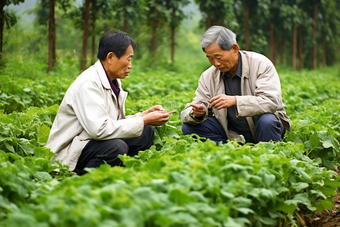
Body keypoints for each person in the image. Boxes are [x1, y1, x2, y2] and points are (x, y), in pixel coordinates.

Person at [46, 30, 169, 173]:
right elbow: (99, 130)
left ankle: (121, 172)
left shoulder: (112, 81)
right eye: (128, 59)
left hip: (91, 140)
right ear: (110, 57)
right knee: (117, 147)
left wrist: (142, 117)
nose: (130, 65)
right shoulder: (89, 83)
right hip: (72, 148)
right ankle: (81, 178)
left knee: (146, 132)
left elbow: (113, 122)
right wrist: (143, 120)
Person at [181, 26, 290, 144]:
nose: (216, 63)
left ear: (234, 49)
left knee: (267, 121)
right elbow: (191, 109)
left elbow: (270, 102)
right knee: (189, 128)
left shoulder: (261, 64)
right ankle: (230, 150)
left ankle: (268, 153)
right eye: (210, 58)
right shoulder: (208, 76)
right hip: (231, 131)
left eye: (219, 57)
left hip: (262, 127)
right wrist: (197, 113)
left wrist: (235, 101)